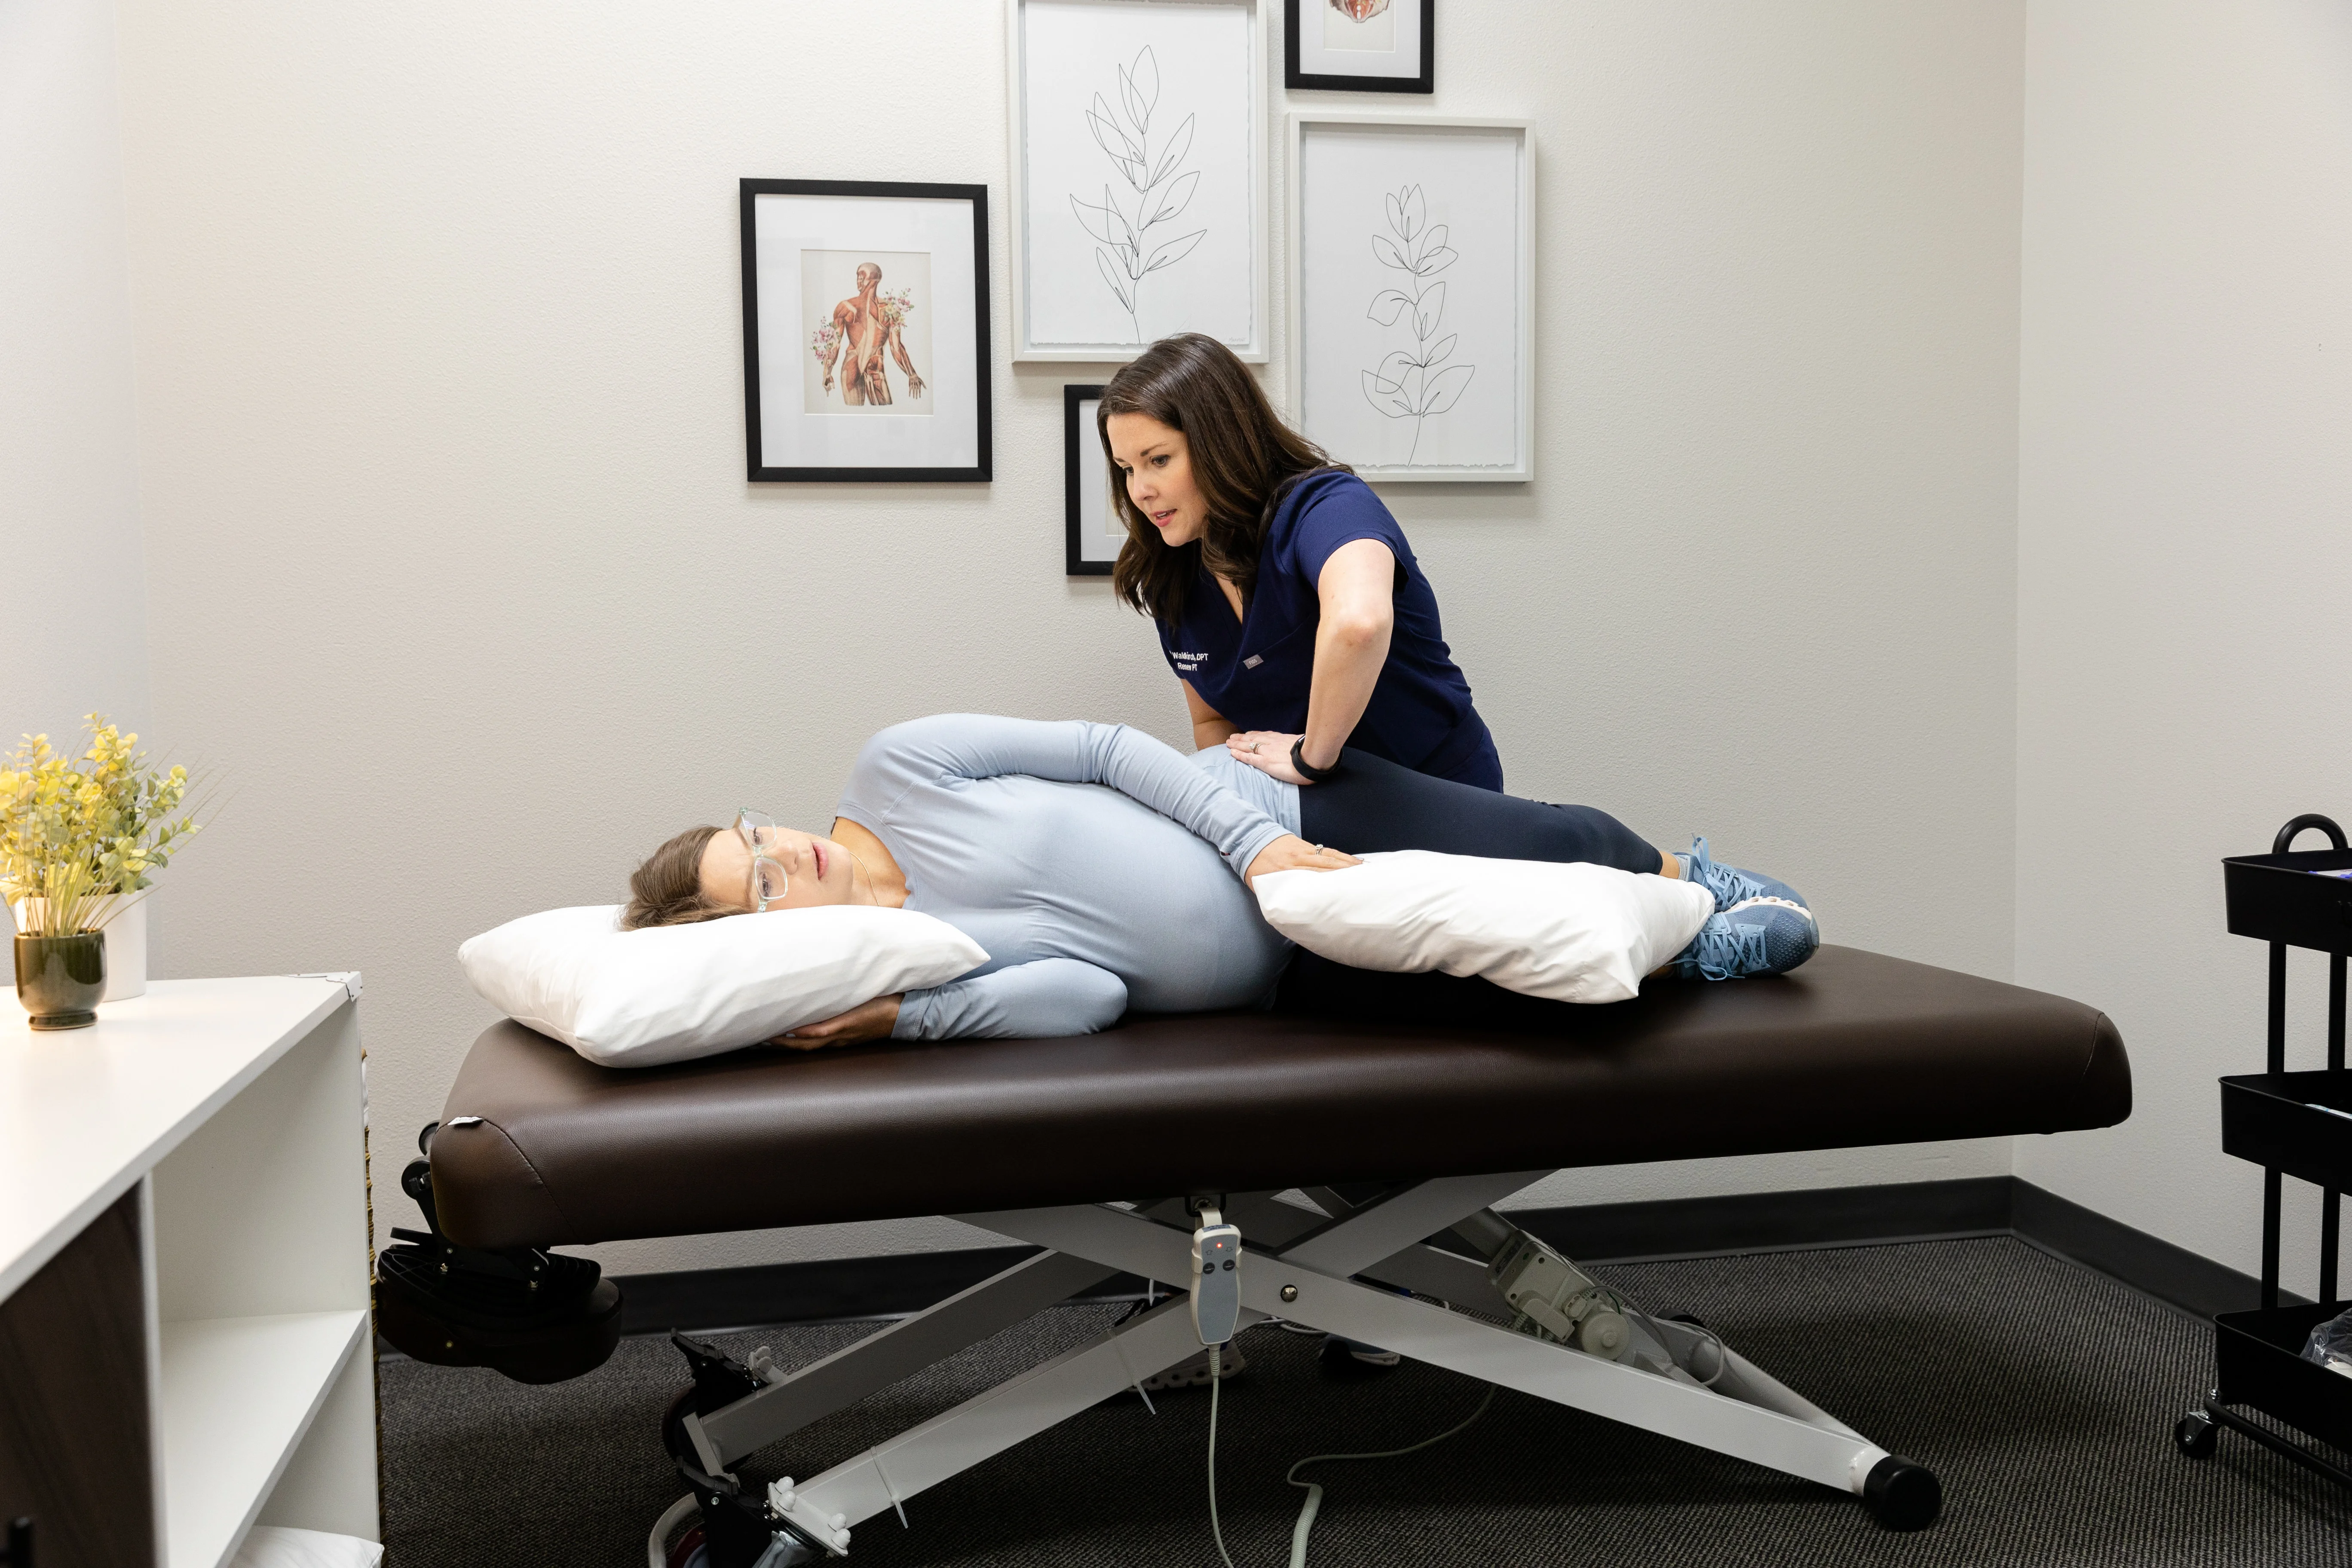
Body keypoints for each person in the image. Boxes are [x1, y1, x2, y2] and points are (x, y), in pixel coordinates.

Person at [620, 714, 1815, 1047]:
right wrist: (908, 1018)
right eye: (764, 887)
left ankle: (1698, 883)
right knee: (1520, 994)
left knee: (1550, 837)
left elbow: (1106, 750)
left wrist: (1258, 848)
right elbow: (1090, 999)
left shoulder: (898, 771)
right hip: (1294, 979)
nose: (789, 854)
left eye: (756, 835)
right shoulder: (920, 954)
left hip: (1281, 816)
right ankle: (1694, 955)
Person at [1098, 334, 1505, 793]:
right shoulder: (1170, 573)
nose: (1139, 490)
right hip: (1312, 814)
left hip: (1435, 790)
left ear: (1221, 443)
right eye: (1127, 468)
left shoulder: (1327, 508)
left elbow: (1360, 622)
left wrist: (1312, 758)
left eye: (1159, 460)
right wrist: (1238, 815)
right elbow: (1214, 720)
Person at [820, 261, 924, 407]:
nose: (859, 280)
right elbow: (835, 343)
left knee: (886, 410)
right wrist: (827, 372)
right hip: (852, 367)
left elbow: (896, 347)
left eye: (863, 276)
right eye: (857, 276)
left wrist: (911, 373)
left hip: (876, 367)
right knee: (854, 416)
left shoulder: (890, 311)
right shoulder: (846, 307)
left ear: (876, 280)